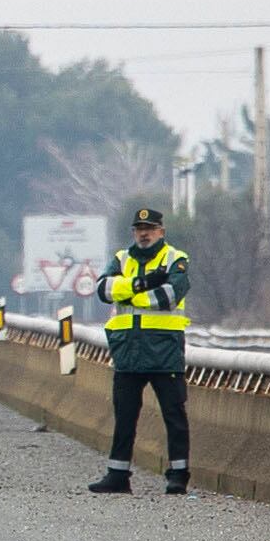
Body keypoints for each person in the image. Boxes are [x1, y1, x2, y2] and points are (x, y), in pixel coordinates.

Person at [90, 204, 192, 495]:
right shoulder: (122, 259)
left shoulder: (176, 259)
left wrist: (131, 295)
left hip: (164, 351)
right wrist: (141, 283)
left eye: (149, 230)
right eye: (139, 230)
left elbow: (170, 296)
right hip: (128, 351)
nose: (144, 234)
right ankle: (118, 476)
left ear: (161, 231)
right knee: (124, 416)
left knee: (174, 416)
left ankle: (178, 475)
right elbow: (103, 289)